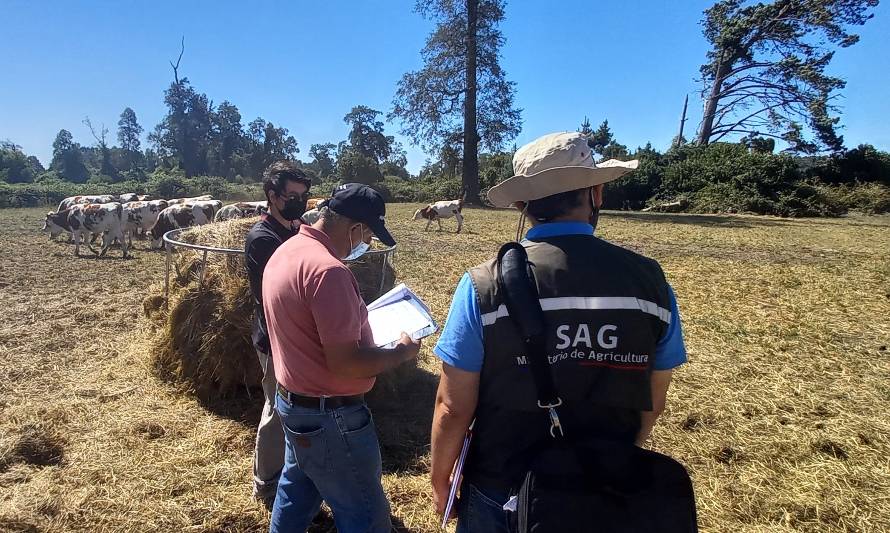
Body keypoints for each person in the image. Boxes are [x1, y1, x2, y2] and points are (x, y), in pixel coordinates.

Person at [430, 132, 689, 532]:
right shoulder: (651, 282)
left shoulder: (483, 285)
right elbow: (654, 398)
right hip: (604, 485)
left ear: (522, 205)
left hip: (500, 486)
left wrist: (440, 477)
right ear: (597, 194)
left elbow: (453, 406)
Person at [263, 183, 420, 532]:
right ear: (355, 228)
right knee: (364, 511)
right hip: (331, 415)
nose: (365, 244)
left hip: (294, 402)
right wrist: (400, 353)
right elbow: (346, 363)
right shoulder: (329, 272)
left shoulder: (287, 251)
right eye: (367, 234)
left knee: (297, 489)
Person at [244, 160, 313, 504]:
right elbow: (278, 296)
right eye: (292, 196)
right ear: (272, 196)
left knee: (286, 407)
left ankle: (289, 477)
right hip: (274, 339)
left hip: (295, 336)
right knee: (276, 408)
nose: (299, 202)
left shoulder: (296, 227)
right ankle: (266, 483)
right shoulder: (263, 238)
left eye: (304, 195)